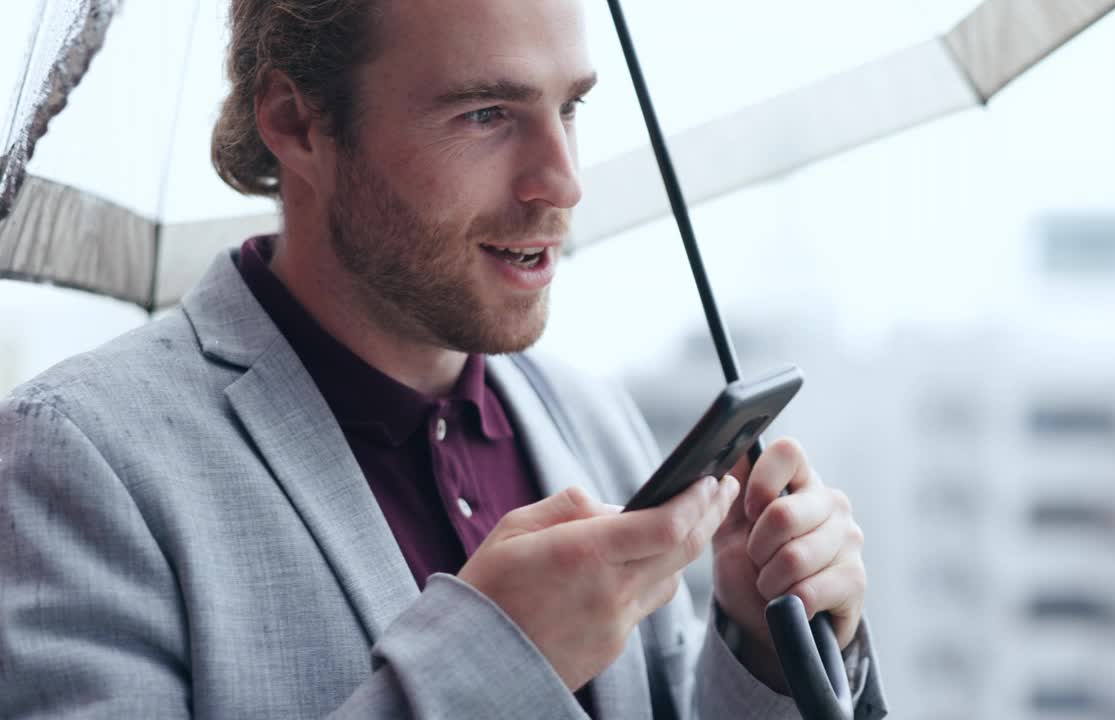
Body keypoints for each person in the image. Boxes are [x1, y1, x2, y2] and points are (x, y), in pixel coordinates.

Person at [0, 0, 886, 717]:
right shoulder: (75, 463)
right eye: (487, 113)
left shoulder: (592, 418)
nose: (562, 179)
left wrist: (763, 651)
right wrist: (496, 662)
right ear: (296, 120)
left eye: (568, 107)